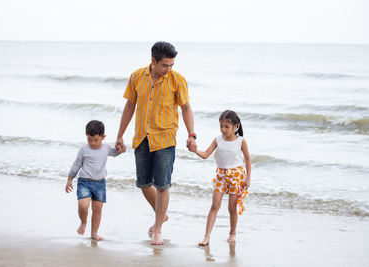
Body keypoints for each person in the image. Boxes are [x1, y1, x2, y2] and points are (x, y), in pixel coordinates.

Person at [115, 41, 197, 245]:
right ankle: (162, 214)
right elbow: (130, 105)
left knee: (162, 185)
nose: (169, 69)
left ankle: (158, 228)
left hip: (165, 139)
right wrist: (120, 135)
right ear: (153, 61)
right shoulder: (136, 76)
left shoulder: (177, 80)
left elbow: (186, 108)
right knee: (143, 184)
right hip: (141, 137)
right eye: (165, 65)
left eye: (172, 65)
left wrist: (191, 134)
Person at [189, 110, 251, 246]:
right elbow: (205, 154)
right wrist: (195, 151)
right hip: (221, 176)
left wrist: (248, 179)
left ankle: (232, 233)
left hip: (236, 176)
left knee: (232, 208)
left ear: (236, 126)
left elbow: (247, 159)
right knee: (214, 206)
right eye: (221, 126)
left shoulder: (241, 141)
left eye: (226, 127)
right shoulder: (218, 139)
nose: (223, 129)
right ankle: (206, 237)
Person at [65, 120, 125, 241]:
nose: (92, 143)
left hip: (100, 184)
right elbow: (76, 165)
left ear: (103, 137)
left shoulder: (106, 147)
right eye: (89, 140)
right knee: (83, 205)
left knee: (97, 210)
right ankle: (83, 222)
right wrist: (70, 179)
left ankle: (94, 233)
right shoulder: (84, 150)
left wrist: (121, 149)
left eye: (96, 140)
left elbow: (115, 152)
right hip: (84, 183)